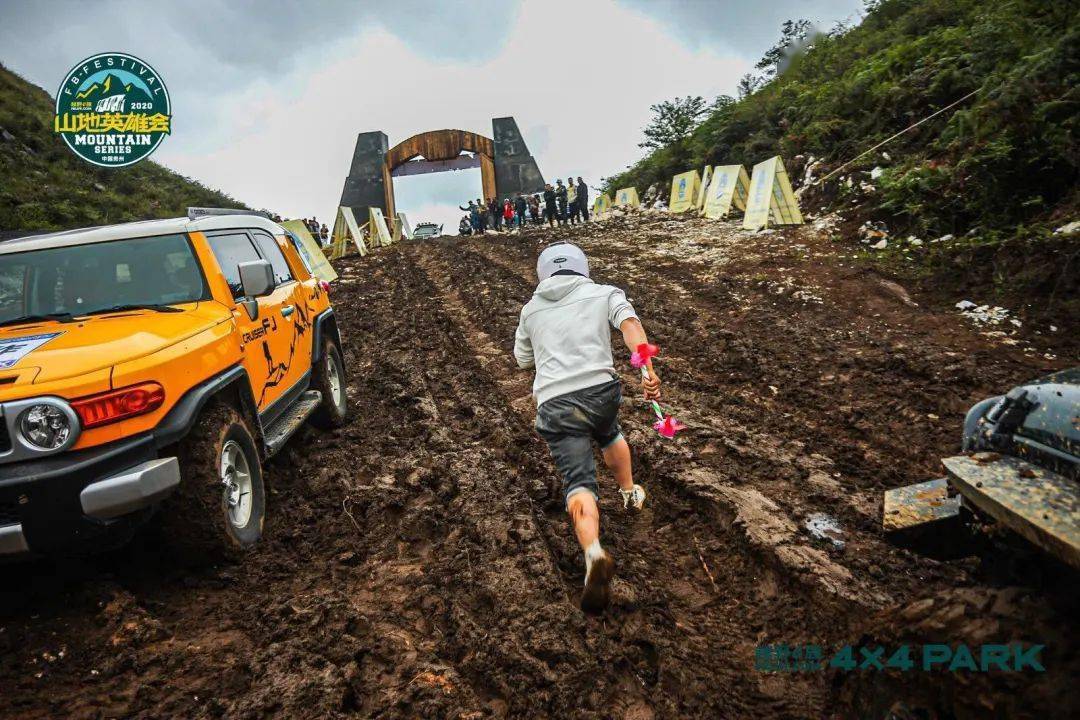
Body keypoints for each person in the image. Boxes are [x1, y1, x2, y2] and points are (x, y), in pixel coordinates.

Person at [514, 242, 661, 613]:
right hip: (601, 392)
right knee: (609, 431)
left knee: (578, 483)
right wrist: (647, 369)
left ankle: (593, 551)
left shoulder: (530, 311)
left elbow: (522, 360)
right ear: (583, 268)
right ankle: (629, 493)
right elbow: (630, 324)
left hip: (557, 404)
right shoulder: (604, 293)